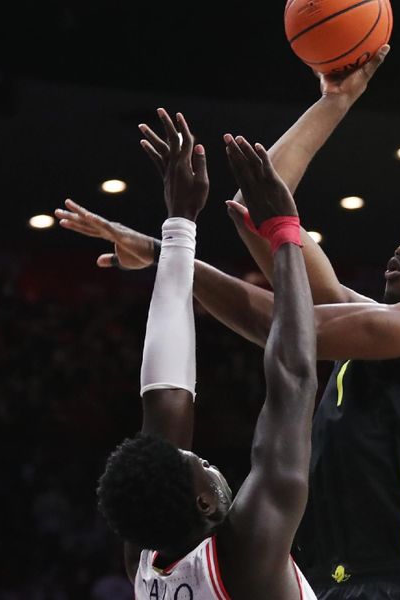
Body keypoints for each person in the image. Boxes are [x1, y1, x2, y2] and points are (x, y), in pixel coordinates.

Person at [59, 46, 400, 598]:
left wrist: (170, 255)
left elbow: (288, 328)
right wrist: (334, 101)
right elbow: (253, 212)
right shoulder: (359, 320)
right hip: (329, 581)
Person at [93, 107, 319, 599]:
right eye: (203, 466)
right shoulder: (246, 557)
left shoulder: (148, 558)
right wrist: (284, 232)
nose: (210, 462)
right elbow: (294, 380)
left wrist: (179, 226)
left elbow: (165, 388)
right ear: (204, 502)